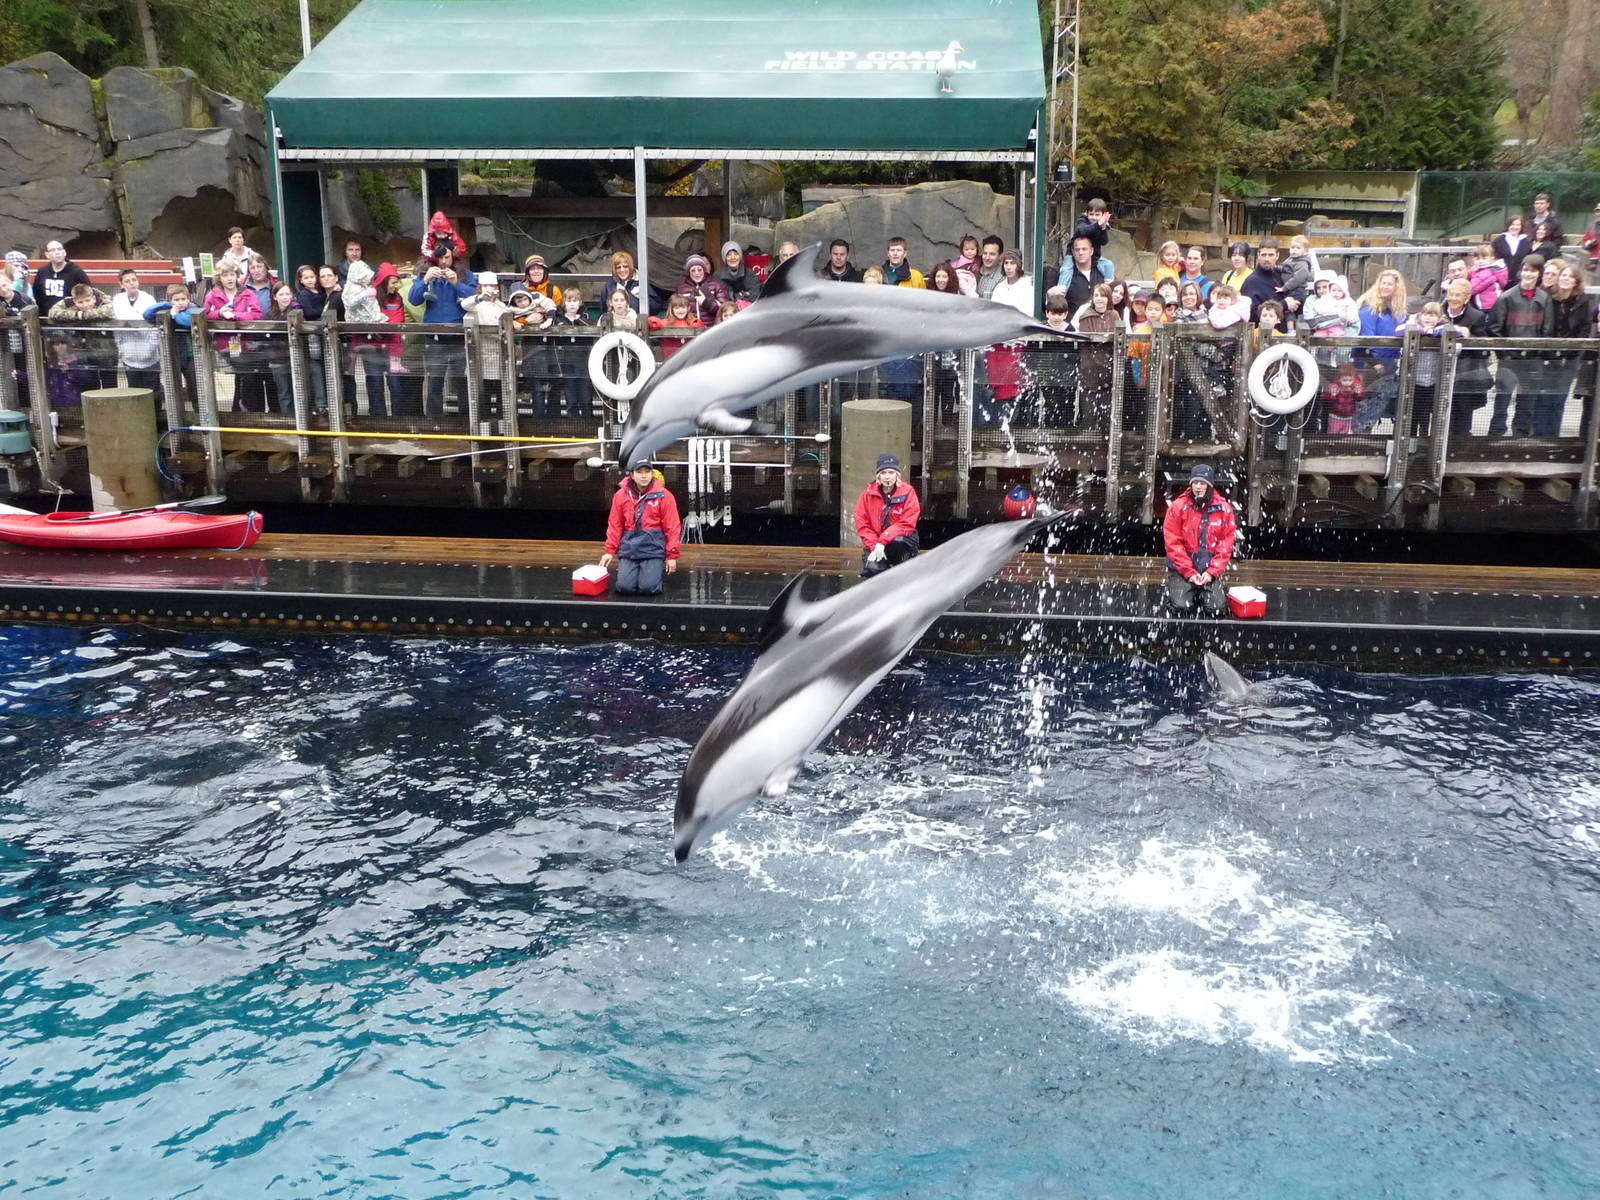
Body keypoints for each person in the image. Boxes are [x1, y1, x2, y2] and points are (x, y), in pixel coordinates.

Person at [1484, 254, 1553, 437]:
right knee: (1502, 401)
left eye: (1533, 271)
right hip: (1509, 360)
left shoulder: (1544, 299)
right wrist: (1505, 354)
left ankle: (1520, 436)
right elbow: (1494, 328)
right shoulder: (1507, 297)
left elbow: (1547, 329)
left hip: (1533, 360)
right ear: (1520, 271)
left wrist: (1537, 353)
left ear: (1539, 274)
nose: (1528, 274)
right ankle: (1495, 435)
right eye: (1526, 270)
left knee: (1527, 402)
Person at [406, 246, 475, 418]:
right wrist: (425, 280)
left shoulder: (465, 274)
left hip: (459, 336)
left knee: (462, 381)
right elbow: (413, 299)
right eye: (441, 258)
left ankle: (466, 420)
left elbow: (474, 298)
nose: (444, 262)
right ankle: (434, 421)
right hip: (435, 337)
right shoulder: (426, 274)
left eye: (447, 257)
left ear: (453, 257)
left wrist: (456, 283)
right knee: (435, 380)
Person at [1162, 464, 1236, 615]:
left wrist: (1212, 572)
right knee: (1181, 607)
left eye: (1202, 483)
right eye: (1195, 483)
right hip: (1182, 570)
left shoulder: (1224, 509)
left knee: (1217, 609)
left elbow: (1225, 545)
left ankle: (1208, 589)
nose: (1198, 487)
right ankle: (1179, 587)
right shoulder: (1177, 507)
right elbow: (1173, 544)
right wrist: (1189, 572)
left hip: (1209, 570)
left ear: (1210, 485)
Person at [600, 460, 682, 595]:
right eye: (639, 472)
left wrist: (671, 555)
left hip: (653, 548)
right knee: (624, 587)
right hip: (629, 548)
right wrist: (609, 550)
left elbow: (672, 527)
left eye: (647, 472)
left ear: (652, 473)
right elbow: (615, 524)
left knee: (648, 588)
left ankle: (654, 573)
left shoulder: (664, 495)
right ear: (631, 475)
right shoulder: (620, 496)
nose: (644, 476)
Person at [1354, 268, 1408, 432]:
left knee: (1379, 402)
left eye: (1389, 284)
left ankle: (1367, 434)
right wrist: (1375, 362)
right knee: (1364, 403)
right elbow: (1366, 336)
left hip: (1390, 363)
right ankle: (1359, 436)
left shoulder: (1399, 312)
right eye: (1382, 283)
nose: (1385, 286)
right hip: (1368, 364)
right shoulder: (1368, 308)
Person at [1543, 262, 1593, 439]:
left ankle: (1552, 436)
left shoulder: (1583, 301)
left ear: (1576, 282)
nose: (1565, 278)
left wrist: (1572, 352)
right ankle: (1538, 436)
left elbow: (1585, 328)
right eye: (1563, 275)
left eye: (1570, 276)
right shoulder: (1548, 297)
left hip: (1569, 358)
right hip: (1547, 356)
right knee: (1543, 397)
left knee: (1558, 399)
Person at [853, 453, 920, 577]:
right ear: (878, 475)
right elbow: (863, 525)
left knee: (899, 545)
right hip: (877, 542)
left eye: (891, 472)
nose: (887, 477)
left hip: (901, 541)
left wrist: (884, 540)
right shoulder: (867, 495)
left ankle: (903, 570)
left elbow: (907, 523)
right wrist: (874, 546)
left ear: (897, 475)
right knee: (873, 570)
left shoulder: (908, 492)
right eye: (883, 473)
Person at [1441, 276, 1489, 435]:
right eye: (1451, 294)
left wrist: (1470, 338)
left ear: (1467, 298)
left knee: (1462, 417)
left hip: (1465, 375)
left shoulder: (1477, 317)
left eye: (1458, 295)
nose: (1453, 298)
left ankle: (1459, 447)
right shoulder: (1438, 311)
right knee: (1440, 415)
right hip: (1440, 372)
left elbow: (1484, 350)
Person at [460, 270, 509, 418]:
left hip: (500, 355)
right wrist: (479, 298)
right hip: (480, 357)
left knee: (502, 395)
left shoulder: (502, 306)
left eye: (492, 285)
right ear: (480, 287)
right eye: (486, 285)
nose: (489, 288)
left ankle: (503, 427)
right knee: (483, 395)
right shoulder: (476, 305)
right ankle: (483, 426)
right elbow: (464, 304)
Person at [109, 267, 160, 401]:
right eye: (127, 281)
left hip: (149, 355)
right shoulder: (117, 300)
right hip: (129, 355)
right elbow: (117, 326)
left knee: (152, 391)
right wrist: (121, 348)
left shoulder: (148, 299)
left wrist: (152, 347)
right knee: (134, 391)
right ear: (121, 284)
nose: (132, 283)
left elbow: (154, 325)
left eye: (134, 280)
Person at [31, 241, 90, 313]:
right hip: (46, 317)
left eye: (59, 249)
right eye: (53, 250)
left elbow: (88, 294)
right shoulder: (42, 272)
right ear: (47, 255)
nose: (57, 252)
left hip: (69, 317)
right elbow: (37, 295)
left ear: (64, 252)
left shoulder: (77, 272)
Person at [675, 254, 729, 326]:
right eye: (693, 270)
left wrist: (706, 303)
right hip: (689, 330)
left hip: (711, 329)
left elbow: (724, 310)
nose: (697, 273)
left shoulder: (716, 286)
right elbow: (674, 309)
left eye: (699, 269)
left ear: (704, 270)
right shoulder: (681, 289)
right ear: (689, 272)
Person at [1240, 241, 1283, 321]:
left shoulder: (1282, 275)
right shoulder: (1251, 282)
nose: (1267, 259)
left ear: (1277, 256)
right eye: (1263, 255)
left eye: (1271, 255)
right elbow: (1251, 314)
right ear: (1258, 256)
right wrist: (1285, 305)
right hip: (1261, 331)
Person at [1060, 234, 1100, 312]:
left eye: (1084, 249)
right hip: (1073, 322)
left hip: (1099, 322)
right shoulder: (1065, 276)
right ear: (1073, 252)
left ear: (1091, 251)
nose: (1080, 252)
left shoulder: (1102, 274)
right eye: (1077, 250)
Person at [1324, 360, 1364, 435]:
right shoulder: (1335, 387)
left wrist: (1358, 393)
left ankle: (1340, 446)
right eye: (1344, 380)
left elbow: (1359, 399)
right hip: (1335, 416)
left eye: (1350, 380)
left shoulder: (1353, 387)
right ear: (1339, 379)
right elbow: (1327, 400)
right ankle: (1331, 445)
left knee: (1344, 434)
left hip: (1348, 417)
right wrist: (1333, 395)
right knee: (1333, 433)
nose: (1347, 382)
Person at [990, 251, 1033, 316]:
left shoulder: (1026, 286)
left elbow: (1027, 314)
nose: (1008, 267)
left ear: (1018, 265)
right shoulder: (999, 287)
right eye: (1006, 263)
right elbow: (993, 311)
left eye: (1012, 263)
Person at [1492, 214, 1531, 283]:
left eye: (1518, 225)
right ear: (1508, 226)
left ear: (1521, 227)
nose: (1515, 227)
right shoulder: (1498, 240)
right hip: (1500, 279)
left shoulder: (1526, 241)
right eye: (1512, 224)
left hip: (1519, 279)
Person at [1469, 244, 1506, 312]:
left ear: (1492, 258)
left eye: (1484, 258)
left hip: (1489, 305)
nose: (1480, 261)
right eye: (1477, 259)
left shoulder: (1487, 271)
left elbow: (1473, 288)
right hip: (1483, 304)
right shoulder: (1476, 270)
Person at [1581, 202, 1600, 273]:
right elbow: (1584, 242)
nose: (1599, 214)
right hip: (1591, 261)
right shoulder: (1592, 226)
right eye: (1597, 211)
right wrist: (1589, 243)